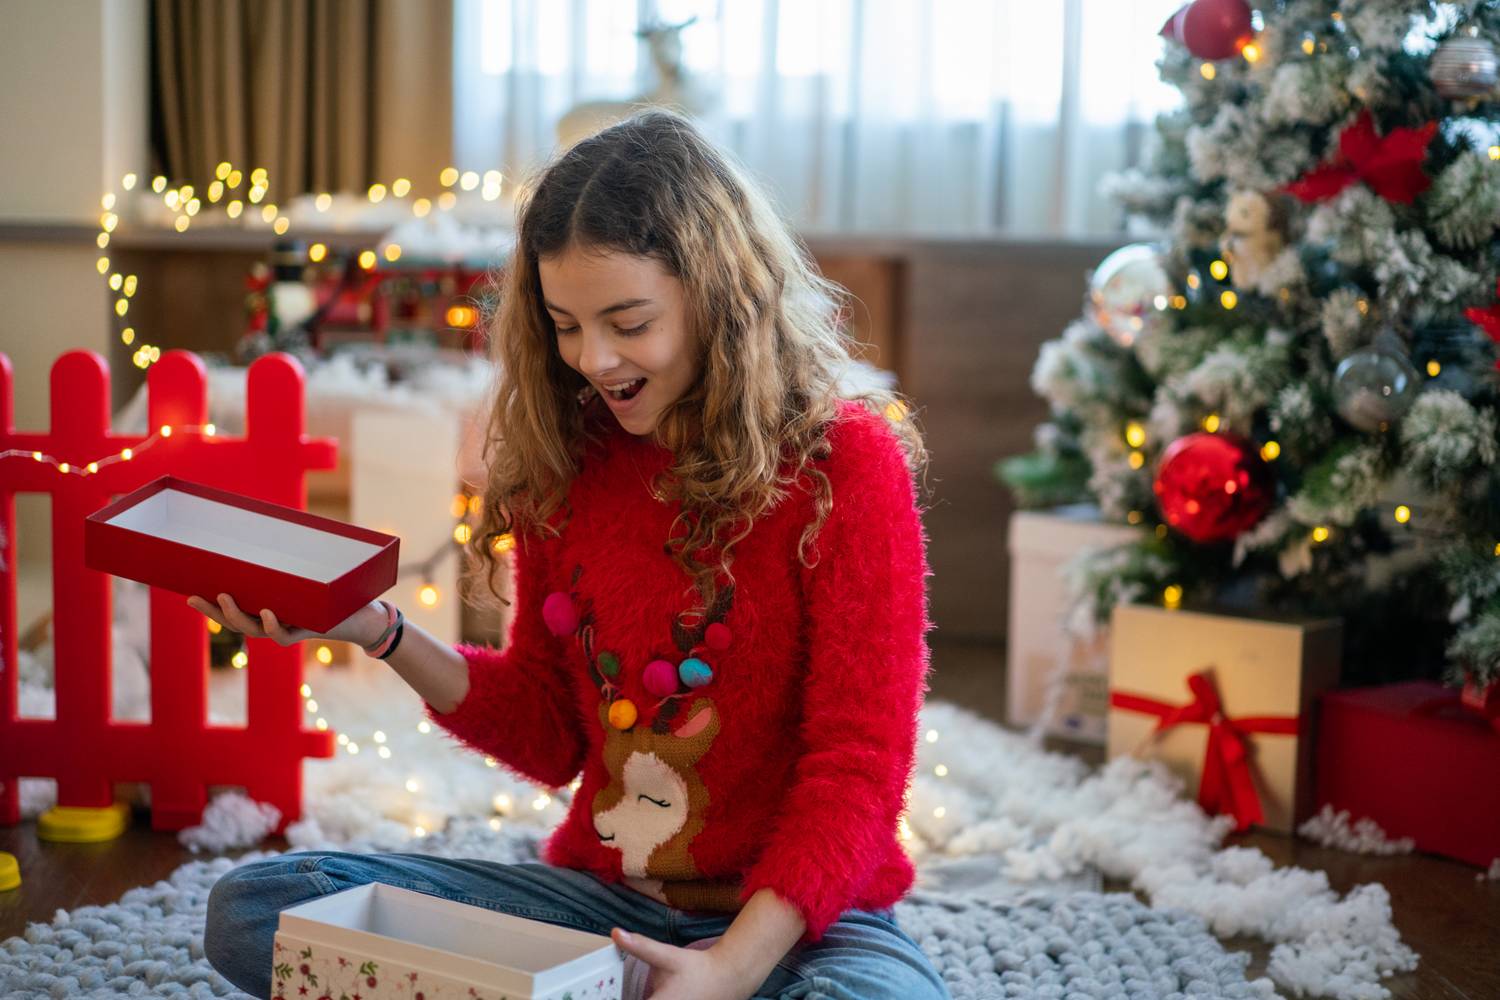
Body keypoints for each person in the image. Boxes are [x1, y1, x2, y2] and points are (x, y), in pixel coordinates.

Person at [198, 109, 948, 1000]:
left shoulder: (844, 464)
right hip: (603, 910)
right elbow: (552, 731)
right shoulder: (571, 459)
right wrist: (381, 630)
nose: (593, 359)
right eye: (564, 324)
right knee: (262, 909)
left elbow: (858, 769)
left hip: (797, 928)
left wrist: (725, 972)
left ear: (718, 292)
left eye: (628, 322)